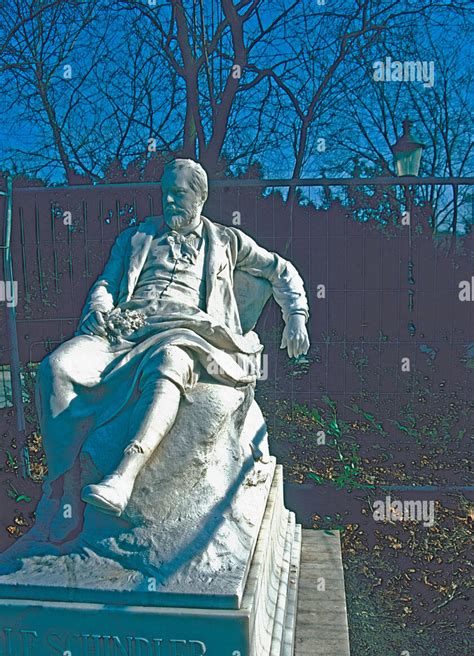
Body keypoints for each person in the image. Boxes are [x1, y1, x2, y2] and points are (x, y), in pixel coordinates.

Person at [35, 158, 310, 525]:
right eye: (165, 194)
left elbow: (282, 270)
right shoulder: (136, 237)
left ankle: (123, 477)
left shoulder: (227, 240)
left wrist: (296, 317)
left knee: (171, 359)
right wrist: (99, 308)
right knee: (55, 368)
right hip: (123, 330)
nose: (168, 202)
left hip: (187, 328)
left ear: (200, 197)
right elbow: (105, 282)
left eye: (178, 194)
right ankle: (65, 489)